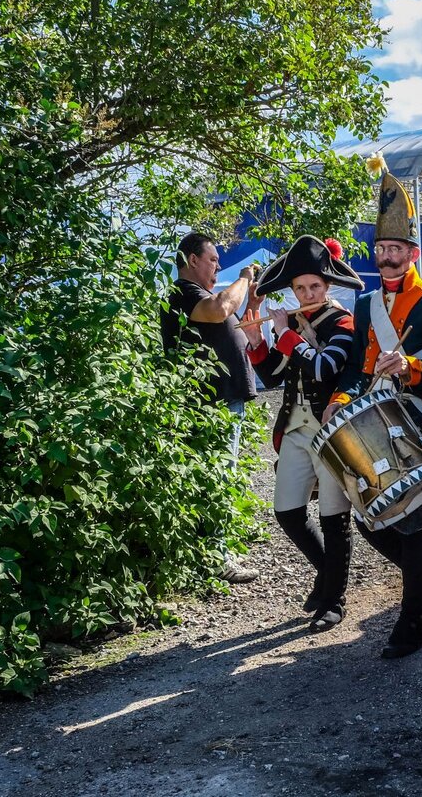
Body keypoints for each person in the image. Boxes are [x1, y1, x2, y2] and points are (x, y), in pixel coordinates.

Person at [326, 153, 422, 659]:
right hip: (373, 415)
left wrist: (411, 368)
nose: (386, 256)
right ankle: (419, 574)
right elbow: (357, 367)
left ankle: (413, 621)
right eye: (380, 247)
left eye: (395, 248)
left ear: (412, 251)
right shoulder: (364, 304)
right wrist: (340, 400)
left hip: (420, 416)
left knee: (414, 517)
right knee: (369, 513)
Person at [242, 235, 364, 629]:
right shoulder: (294, 322)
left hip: (330, 432)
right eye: (300, 288)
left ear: (326, 287)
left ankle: (335, 598)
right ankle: (328, 575)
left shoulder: (343, 321)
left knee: (333, 517)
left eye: (314, 286)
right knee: (288, 512)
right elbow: (276, 375)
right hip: (295, 429)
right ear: (293, 291)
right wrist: (258, 339)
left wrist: (289, 337)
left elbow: (325, 367)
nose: (307, 293)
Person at [160, 231, 260, 584]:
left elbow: (235, 323)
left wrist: (253, 301)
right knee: (219, 475)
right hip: (210, 403)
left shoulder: (199, 296)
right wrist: (244, 279)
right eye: (214, 260)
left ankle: (212, 550)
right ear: (192, 261)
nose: (219, 266)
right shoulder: (184, 294)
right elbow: (220, 309)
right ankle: (217, 559)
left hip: (223, 400)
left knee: (223, 474)